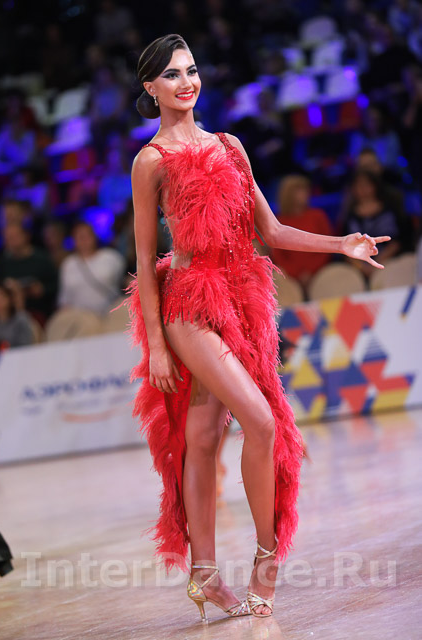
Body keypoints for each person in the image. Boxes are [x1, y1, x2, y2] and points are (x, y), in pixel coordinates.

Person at [126, 34, 389, 621]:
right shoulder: (151, 161)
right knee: (260, 421)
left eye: (191, 70)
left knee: (202, 438)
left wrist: (341, 244)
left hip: (242, 299)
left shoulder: (230, 146)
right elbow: (144, 260)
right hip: (188, 304)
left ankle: (204, 576)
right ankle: (266, 564)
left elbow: (269, 231)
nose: (187, 82)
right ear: (151, 88)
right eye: (172, 75)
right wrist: (158, 348)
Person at [270, 175, 333, 292]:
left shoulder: (317, 216)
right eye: (300, 191)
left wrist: (311, 270)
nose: (305, 194)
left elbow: (328, 245)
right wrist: (296, 273)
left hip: (321, 273)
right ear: (289, 194)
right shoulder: (279, 222)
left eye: (306, 190)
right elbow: (278, 254)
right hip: (291, 279)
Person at [342, 169, 405, 277]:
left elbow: (396, 242)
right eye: (359, 185)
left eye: (366, 185)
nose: (363, 189)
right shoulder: (350, 215)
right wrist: (362, 267)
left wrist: (378, 262)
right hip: (359, 270)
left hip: (388, 264)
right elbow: (345, 247)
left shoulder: (388, 210)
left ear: (375, 186)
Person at [0, 222, 58, 325]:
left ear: (26, 236)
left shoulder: (42, 259)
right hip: (10, 317)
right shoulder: (3, 262)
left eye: (14, 236)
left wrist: (42, 289)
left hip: (41, 312)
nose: (11, 241)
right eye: (8, 238)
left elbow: (56, 284)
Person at [58, 221, 125, 314]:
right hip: (80, 317)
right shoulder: (68, 264)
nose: (84, 240)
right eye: (80, 236)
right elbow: (64, 297)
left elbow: (124, 282)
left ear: (94, 236)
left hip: (110, 314)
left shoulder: (111, 257)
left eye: (87, 235)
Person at [0, 281, 34, 350]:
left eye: (0, 296)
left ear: (9, 298)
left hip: (19, 355)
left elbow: (25, 346)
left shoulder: (21, 319)